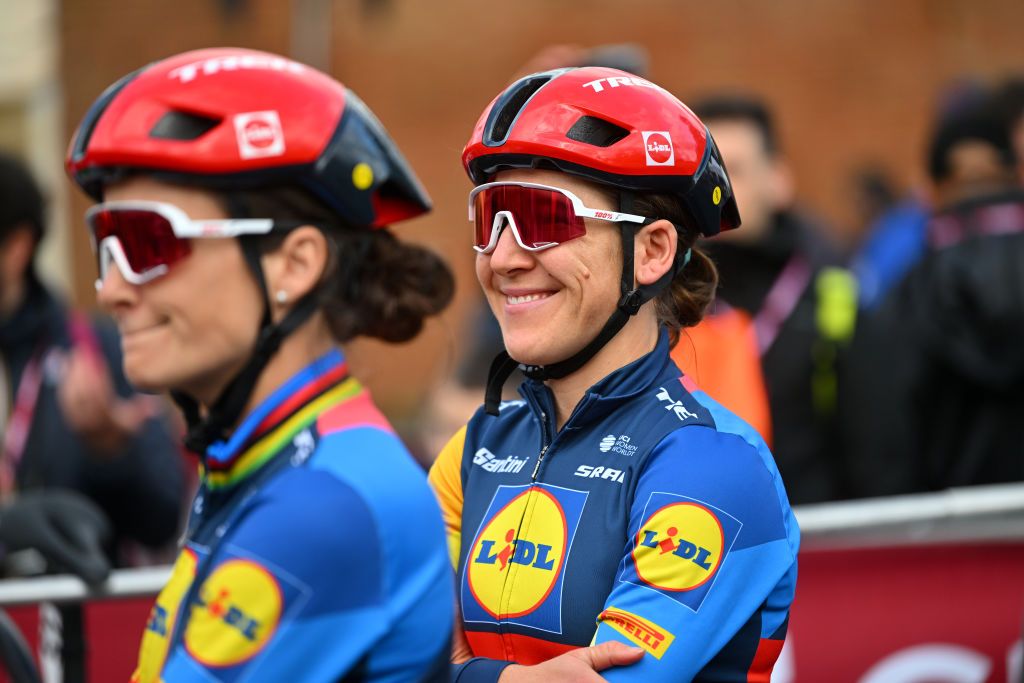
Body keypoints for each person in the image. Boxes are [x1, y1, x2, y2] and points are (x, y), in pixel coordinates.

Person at [66, 47, 455, 682]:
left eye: (147, 242)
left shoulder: (325, 503)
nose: (110, 289)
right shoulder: (262, 461)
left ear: (295, 264)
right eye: (107, 247)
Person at [429, 67, 799, 682]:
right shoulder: (477, 445)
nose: (503, 257)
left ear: (652, 251)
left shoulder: (712, 462)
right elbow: (390, 662)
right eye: (490, 217)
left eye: (544, 218)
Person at [0, 151, 182, 570]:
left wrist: (111, 450)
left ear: (16, 249)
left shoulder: (95, 349)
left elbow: (161, 518)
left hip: (70, 625)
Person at [842, 96, 1024, 496]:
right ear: (1015, 174)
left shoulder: (898, 302)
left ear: (931, 190)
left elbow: (880, 456)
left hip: (954, 548)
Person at [679, 94, 855, 505]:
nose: (715, 188)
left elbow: (877, 455)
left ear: (778, 180)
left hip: (821, 546)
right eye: (699, 174)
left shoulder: (833, 295)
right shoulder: (654, 302)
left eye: (733, 170)